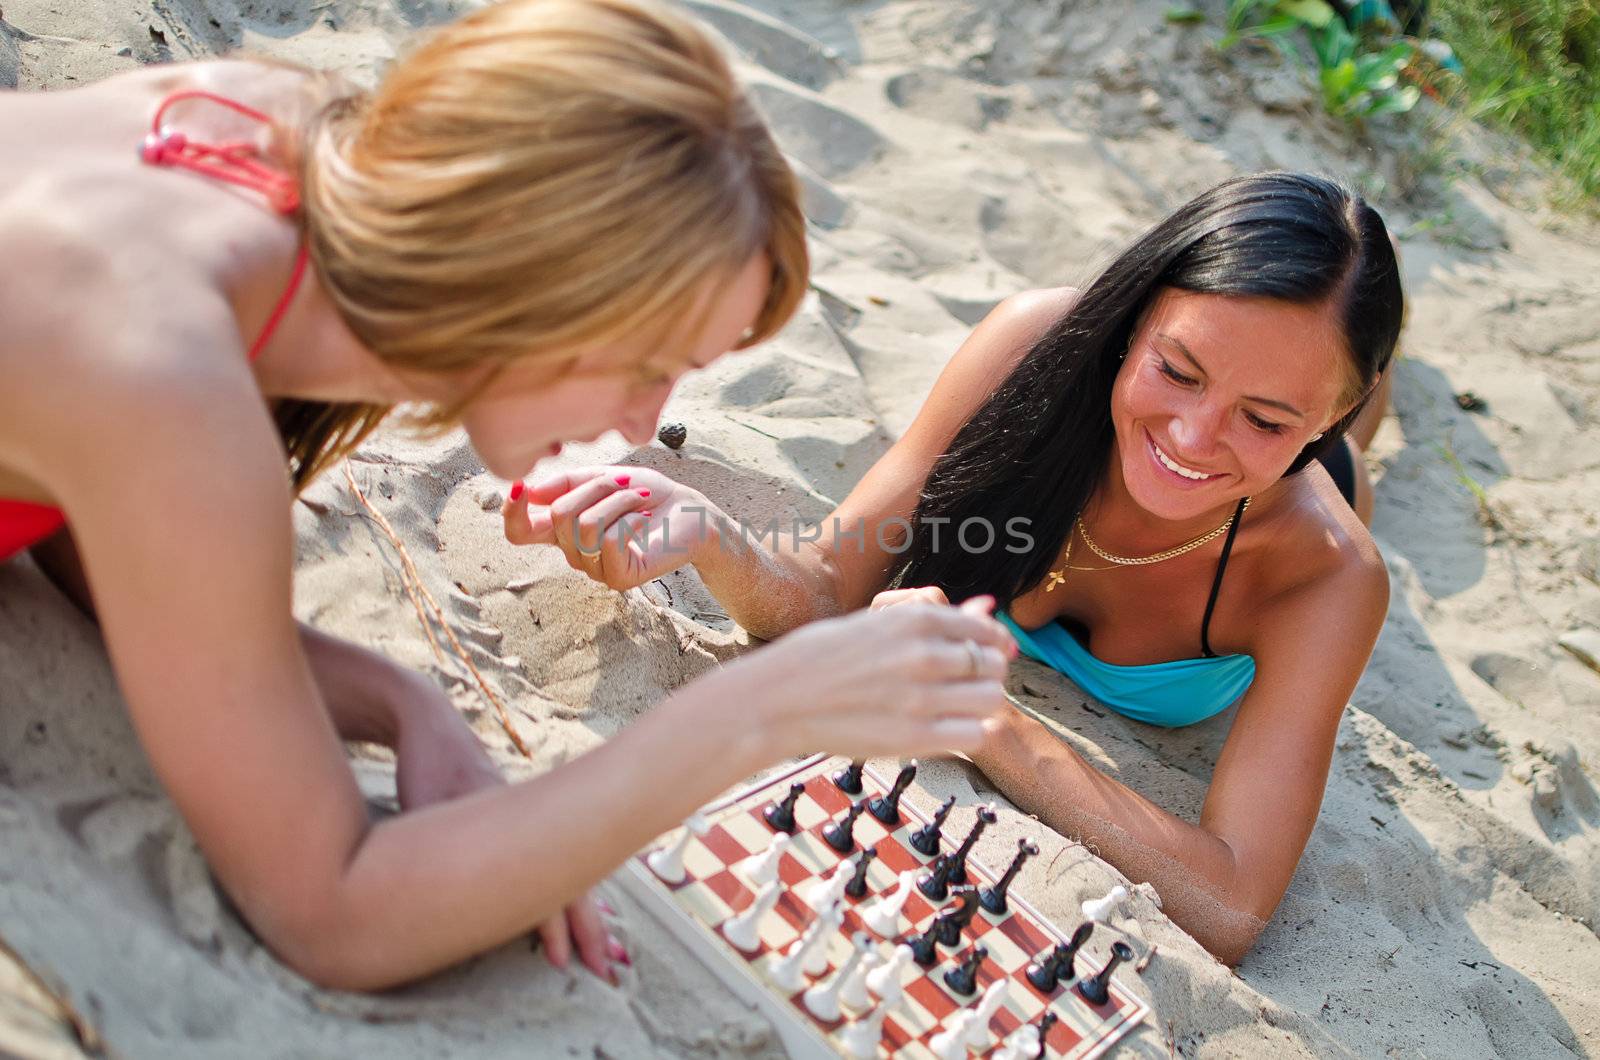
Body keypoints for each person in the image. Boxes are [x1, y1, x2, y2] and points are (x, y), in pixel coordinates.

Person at [0, 0, 1016, 990]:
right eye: (644, 358)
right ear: (531, 264)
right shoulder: (167, 369)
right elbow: (332, 916)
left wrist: (402, 701)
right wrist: (754, 713)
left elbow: (126, 562)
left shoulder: (270, 126)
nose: (636, 420)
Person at [508, 172, 1403, 964]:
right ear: (1137, 316)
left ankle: (1365, 413)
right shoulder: (1034, 348)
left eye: (1266, 418)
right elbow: (828, 585)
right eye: (1178, 368)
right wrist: (710, 535)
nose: (1195, 436)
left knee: (1352, 460)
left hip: (1313, 489)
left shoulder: (1328, 577)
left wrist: (986, 719)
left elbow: (1233, 902)